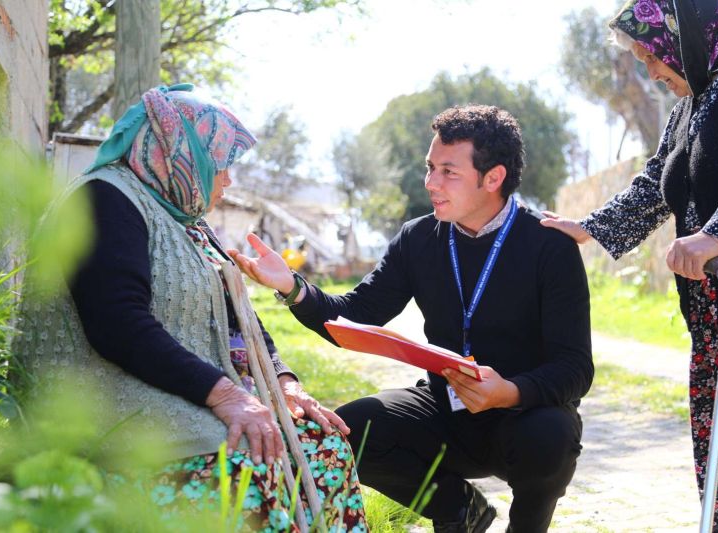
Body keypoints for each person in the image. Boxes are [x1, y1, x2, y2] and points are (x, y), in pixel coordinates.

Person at [14, 85, 366, 531]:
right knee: (246, 461)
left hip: (174, 392)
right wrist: (226, 395)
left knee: (324, 445)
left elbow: (239, 317)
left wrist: (284, 382)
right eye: (222, 165)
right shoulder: (102, 200)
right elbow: (116, 323)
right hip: (110, 405)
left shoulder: (188, 221)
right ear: (180, 154)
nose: (228, 181)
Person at [230, 104, 594, 532]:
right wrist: (293, 287)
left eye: (448, 172)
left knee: (550, 436)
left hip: (524, 414)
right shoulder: (418, 237)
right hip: (445, 409)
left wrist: (508, 392)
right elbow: (355, 315)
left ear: (493, 177)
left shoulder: (549, 246)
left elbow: (574, 368)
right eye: (429, 168)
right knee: (351, 432)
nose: (431, 183)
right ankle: (459, 510)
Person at [541, 1, 718, 530]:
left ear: (689, 37)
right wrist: (589, 228)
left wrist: (716, 234)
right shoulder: (695, 97)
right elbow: (658, 180)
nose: (651, 72)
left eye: (653, 57)